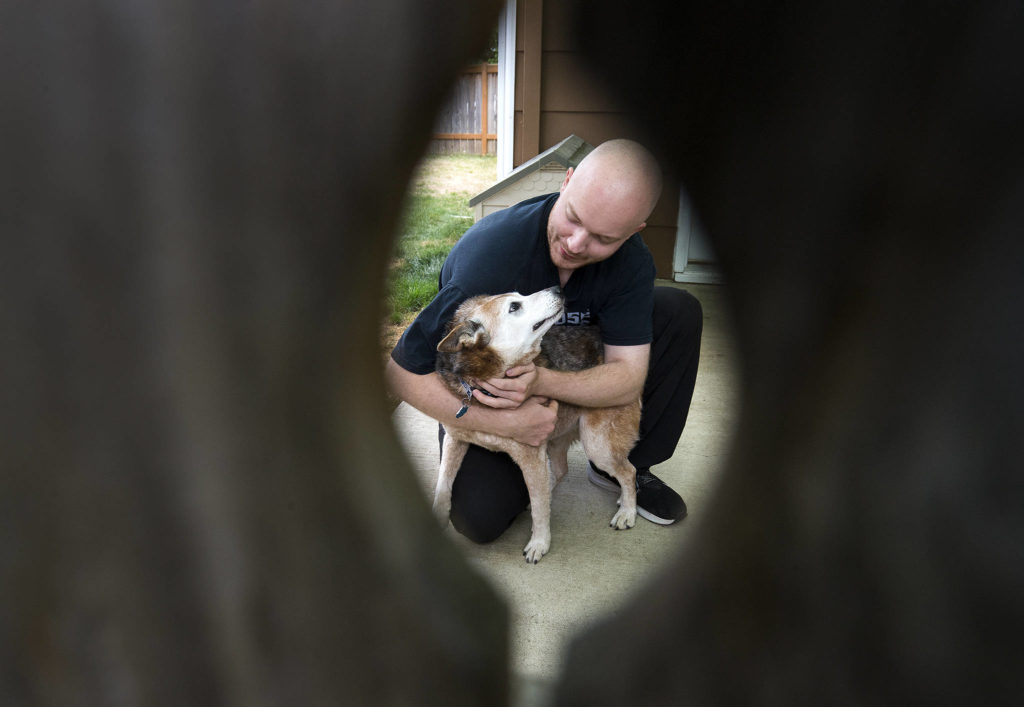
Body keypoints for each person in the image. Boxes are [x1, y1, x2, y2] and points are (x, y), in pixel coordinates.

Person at [385, 139, 703, 543]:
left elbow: (629, 375)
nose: (575, 244)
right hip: (487, 390)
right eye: (573, 218)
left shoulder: (633, 263)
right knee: (479, 518)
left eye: (603, 239)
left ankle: (629, 466)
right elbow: (401, 373)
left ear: (633, 232)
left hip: (563, 365)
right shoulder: (487, 260)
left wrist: (539, 383)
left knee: (678, 310)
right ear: (566, 181)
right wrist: (503, 422)